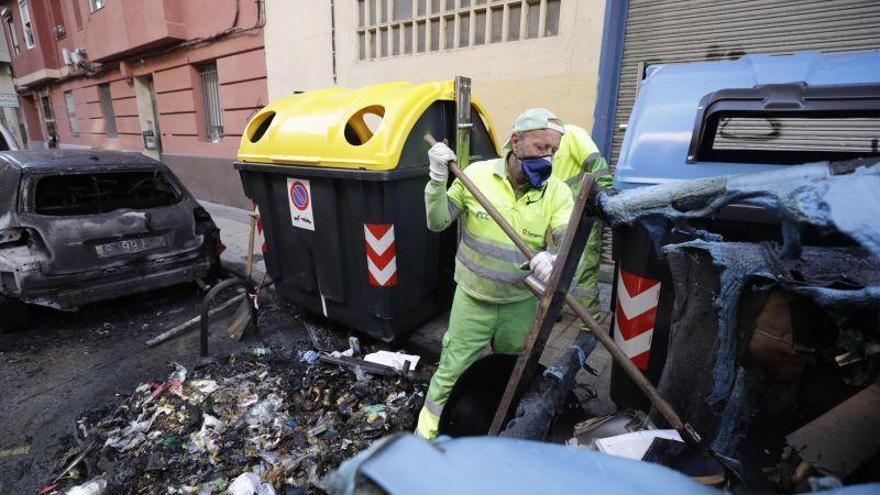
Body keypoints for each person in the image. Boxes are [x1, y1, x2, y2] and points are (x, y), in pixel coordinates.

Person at [416, 108, 574, 440]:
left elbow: (567, 242)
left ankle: (500, 435)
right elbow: (437, 222)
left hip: (520, 303)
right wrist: (435, 179)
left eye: (554, 151)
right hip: (473, 299)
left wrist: (554, 258)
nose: (548, 158)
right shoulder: (476, 176)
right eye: (541, 148)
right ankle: (426, 440)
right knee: (450, 373)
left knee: (512, 373)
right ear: (516, 141)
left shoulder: (557, 192)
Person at [551, 125, 614, 320]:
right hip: (557, 216)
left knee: (585, 268)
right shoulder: (540, 144)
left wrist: (604, 199)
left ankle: (590, 319)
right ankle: (555, 310)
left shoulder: (572, 134)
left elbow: (597, 165)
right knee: (557, 265)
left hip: (581, 213)